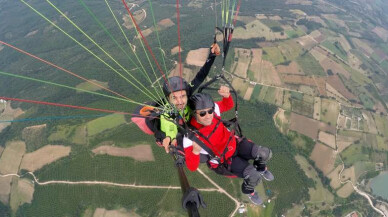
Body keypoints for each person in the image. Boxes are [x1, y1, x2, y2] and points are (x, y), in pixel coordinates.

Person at [182, 88, 274, 205]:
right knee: (253, 177)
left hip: (235, 144)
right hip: (225, 160)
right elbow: (192, 166)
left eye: (210, 111)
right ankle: (248, 191)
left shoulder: (214, 112)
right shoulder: (191, 137)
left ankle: (261, 168)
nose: (208, 116)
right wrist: (195, 152)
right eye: (202, 113)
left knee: (264, 153)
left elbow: (227, 105)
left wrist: (226, 96)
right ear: (194, 114)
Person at [132, 42, 220, 153]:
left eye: (182, 96)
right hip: (172, 127)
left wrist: (211, 57)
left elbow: (200, 77)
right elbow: (168, 125)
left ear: (186, 94)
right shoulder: (166, 111)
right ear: (169, 99)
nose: (180, 101)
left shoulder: (187, 92)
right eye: (174, 98)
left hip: (184, 122)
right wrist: (169, 138)